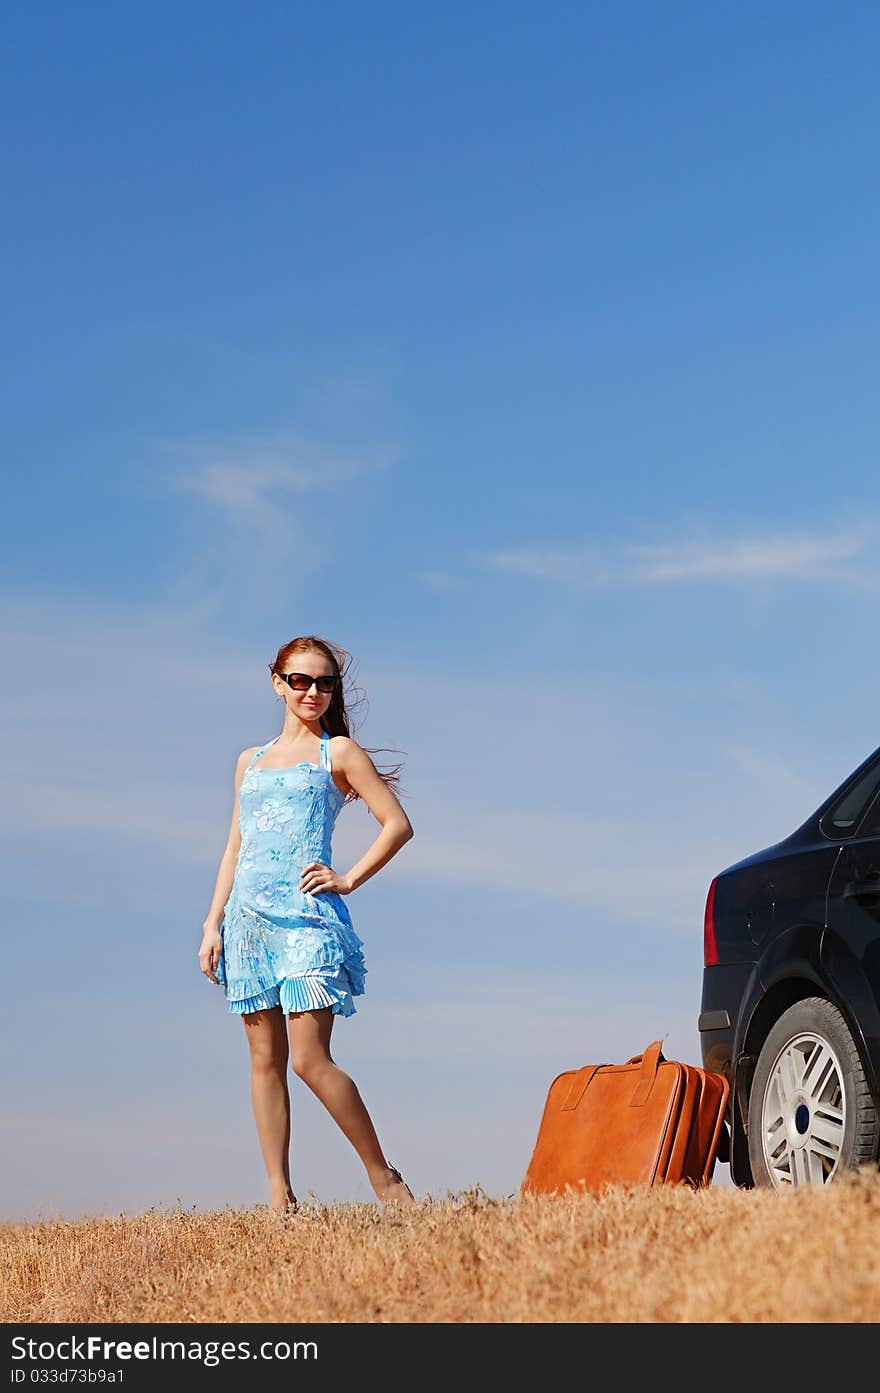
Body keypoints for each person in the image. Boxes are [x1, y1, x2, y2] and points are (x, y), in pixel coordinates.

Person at [198, 634, 417, 1211]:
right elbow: (234, 848)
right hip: (247, 924)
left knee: (308, 1060)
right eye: (300, 680)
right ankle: (280, 1200)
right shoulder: (250, 760)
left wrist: (348, 878)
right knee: (264, 1062)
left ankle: (385, 1180)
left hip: (307, 921)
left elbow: (396, 824)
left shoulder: (338, 753)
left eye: (324, 682)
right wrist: (212, 923)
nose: (312, 691)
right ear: (279, 683)